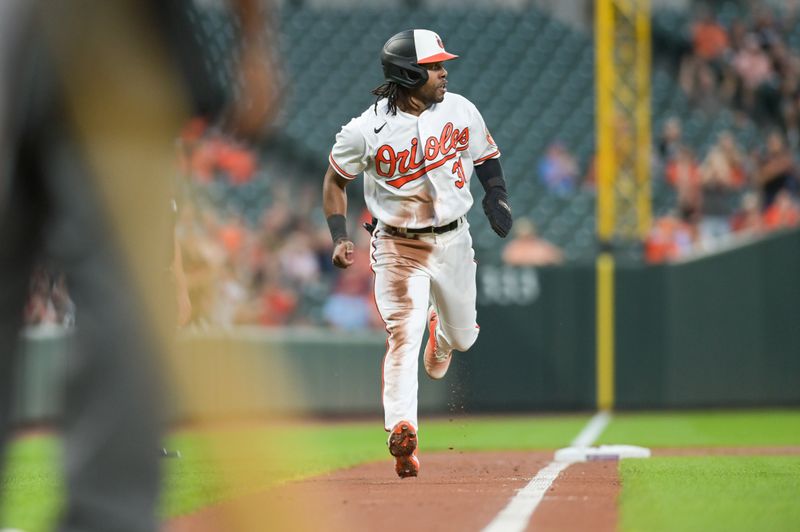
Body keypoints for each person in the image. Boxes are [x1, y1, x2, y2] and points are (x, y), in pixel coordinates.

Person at [321, 29, 512, 478]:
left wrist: (496, 196)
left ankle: (441, 337)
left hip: (453, 240)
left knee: (464, 337)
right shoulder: (364, 130)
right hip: (396, 243)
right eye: (435, 67)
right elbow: (334, 181)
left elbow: (486, 156)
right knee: (403, 335)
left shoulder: (460, 109)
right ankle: (402, 429)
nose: (444, 73)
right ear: (410, 73)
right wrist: (337, 234)